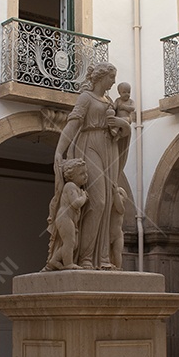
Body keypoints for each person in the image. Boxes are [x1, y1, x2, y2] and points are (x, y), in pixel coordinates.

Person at [46, 61, 131, 269]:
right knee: (98, 200)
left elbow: (122, 130)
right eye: (112, 77)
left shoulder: (110, 101)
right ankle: (85, 257)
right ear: (102, 77)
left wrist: (122, 125)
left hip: (108, 147)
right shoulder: (86, 98)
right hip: (89, 145)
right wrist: (59, 150)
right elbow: (73, 123)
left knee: (109, 201)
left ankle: (102, 259)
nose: (114, 81)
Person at [45, 158, 88, 270]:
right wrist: (84, 197)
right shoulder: (70, 186)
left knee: (74, 244)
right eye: (82, 174)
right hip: (64, 218)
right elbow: (76, 203)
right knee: (70, 241)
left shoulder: (76, 188)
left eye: (86, 172)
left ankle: (54, 260)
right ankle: (68, 263)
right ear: (71, 176)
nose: (86, 176)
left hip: (70, 219)